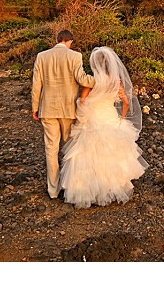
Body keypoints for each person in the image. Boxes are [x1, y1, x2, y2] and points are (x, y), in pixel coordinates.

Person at [57, 46, 148, 208]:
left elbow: (83, 101)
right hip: (110, 116)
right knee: (112, 152)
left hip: (94, 118)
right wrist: (122, 117)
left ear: (95, 64)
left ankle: (89, 190)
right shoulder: (116, 82)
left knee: (88, 152)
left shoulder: (92, 81)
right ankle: (114, 187)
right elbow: (126, 102)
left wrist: (82, 114)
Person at [31, 29, 96, 199]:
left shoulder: (41, 56)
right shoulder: (74, 56)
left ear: (57, 39)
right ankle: (69, 187)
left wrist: (35, 107)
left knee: (51, 149)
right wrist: (101, 81)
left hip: (48, 109)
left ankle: (53, 190)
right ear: (69, 41)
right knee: (68, 148)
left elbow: (36, 84)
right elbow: (82, 79)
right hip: (68, 109)